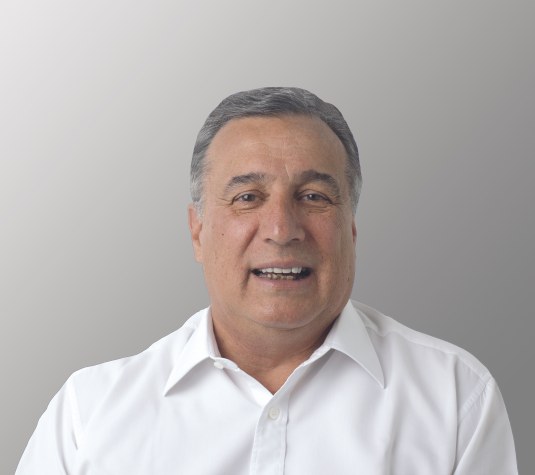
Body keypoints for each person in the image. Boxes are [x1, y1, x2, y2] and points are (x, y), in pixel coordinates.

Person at [16, 87, 518, 474]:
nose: (281, 229)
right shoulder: (89, 413)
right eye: (248, 198)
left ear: (352, 228)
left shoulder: (454, 397)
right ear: (197, 231)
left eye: (314, 196)